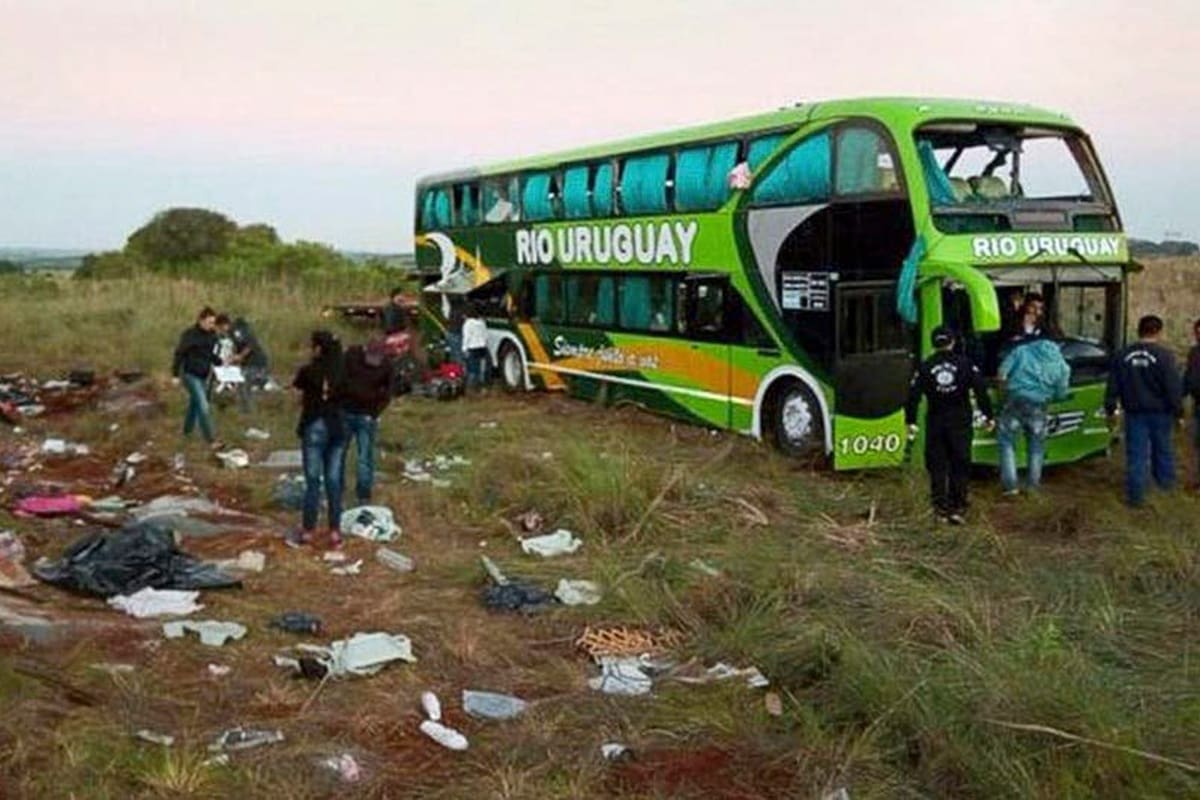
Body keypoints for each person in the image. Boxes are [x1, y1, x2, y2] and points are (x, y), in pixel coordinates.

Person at [904, 325, 995, 524]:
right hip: (960, 421)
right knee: (960, 463)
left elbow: (913, 396)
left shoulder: (925, 366)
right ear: (953, 342)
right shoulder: (965, 364)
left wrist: (910, 421)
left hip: (936, 421)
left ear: (933, 343)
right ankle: (958, 508)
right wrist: (989, 416)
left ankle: (939, 509)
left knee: (937, 466)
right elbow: (981, 391)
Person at [1106, 315, 1184, 507]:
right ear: (1158, 331)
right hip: (1160, 412)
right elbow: (1173, 387)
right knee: (1163, 451)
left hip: (1134, 412)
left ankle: (1136, 497)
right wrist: (1179, 412)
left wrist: (1110, 408)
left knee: (1136, 455)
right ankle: (1165, 490)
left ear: (1138, 330)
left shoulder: (1122, 355)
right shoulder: (1165, 356)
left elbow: (1113, 385)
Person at [290, 330, 348, 548]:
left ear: (318, 348)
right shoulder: (343, 371)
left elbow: (297, 394)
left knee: (313, 480)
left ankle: (308, 530)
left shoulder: (308, 371)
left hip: (314, 424)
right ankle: (335, 530)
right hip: (337, 427)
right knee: (334, 481)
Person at [996, 332, 1071, 495]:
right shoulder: (1062, 365)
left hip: (1015, 401)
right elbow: (1061, 394)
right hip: (1039, 406)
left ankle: (1010, 486)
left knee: (1007, 441)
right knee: (1036, 446)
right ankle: (1033, 486)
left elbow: (1001, 374)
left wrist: (1002, 397)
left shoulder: (1021, 350)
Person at [342, 338, 393, 503]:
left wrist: (375, 413)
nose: (374, 363)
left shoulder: (386, 365)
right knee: (342, 454)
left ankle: (363, 495)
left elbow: (388, 393)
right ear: (365, 351)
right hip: (346, 412)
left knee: (364, 457)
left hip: (366, 416)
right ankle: (339, 489)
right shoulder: (350, 356)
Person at [171, 306, 222, 447]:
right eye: (209, 322)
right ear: (201, 320)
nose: (212, 325)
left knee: (195, 403)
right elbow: (179, 353)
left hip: (203, 375)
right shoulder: (190, 335)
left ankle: (186, 432)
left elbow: (210, 355)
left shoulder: (212, 336)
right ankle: (211, 440)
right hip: (189, 374)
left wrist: (221, 363)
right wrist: (175, 374)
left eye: (213, 322)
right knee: (203, 405)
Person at [228, 315, 270, 413]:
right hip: (257, 363)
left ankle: (247, 411)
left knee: (244, 386)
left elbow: (249, 345)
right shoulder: (242, 330)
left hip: (254, 363)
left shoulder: (235, 331)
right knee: (244, 387)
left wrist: (239, 357)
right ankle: (247, 411)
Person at [1183, 318, 1200, 485]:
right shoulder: (1194, 352)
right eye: (1197, 332)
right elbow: (1190, 376)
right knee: (1196, 443)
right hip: (1198, 404)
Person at [462, 304, 489, 390]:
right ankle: (481, 386)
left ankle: (470, 388)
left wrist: (464, 349)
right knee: (481, 368)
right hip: (482, 347)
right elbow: (486, 335)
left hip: (472, 347)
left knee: (472, 370)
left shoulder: (468, 323)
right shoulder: (482, 322)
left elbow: (467, 337)